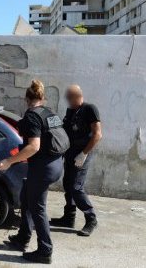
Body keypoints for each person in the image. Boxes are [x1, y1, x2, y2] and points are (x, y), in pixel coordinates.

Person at [0, 79, 65, 264]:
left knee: (38, 208)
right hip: (56, 164)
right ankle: (22, 238)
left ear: (26, 98)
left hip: (43, 168)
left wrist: (9, 162)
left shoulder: (32, 116)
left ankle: (45, 251)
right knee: (27, 197)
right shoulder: (50, 113)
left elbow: (34, 146)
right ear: (43, 98)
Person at [50, 84, 102, 237]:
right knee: (67, 184)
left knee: (76, 188)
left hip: (82, 155)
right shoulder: (71, 110)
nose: (68, 101)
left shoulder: (90, 109)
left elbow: (97, 134)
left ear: (78, 96)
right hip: (70, 153)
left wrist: (84, 153)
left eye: (70, 98)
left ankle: (91, 219)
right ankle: (69, 217)